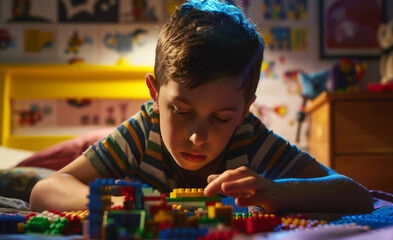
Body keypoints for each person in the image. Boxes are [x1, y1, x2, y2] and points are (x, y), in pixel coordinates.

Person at [30, 0, 374, 213]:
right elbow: (46, 190)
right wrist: (119, 204)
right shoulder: (143, 131)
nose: (198, 136)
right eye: (181, 111)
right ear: (154, 94)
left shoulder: (249, 136)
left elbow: (355, 195)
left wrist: (277, 192)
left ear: (243, 110)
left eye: (222, 117)